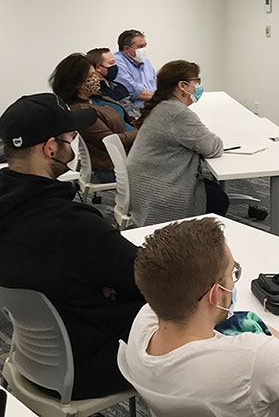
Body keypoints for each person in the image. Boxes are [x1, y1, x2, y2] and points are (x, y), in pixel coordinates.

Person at [124, 217, 279, 417]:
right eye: (232, 273)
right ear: (216, 293)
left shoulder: (142, 325)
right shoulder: (251, 359)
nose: (234, 281)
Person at [0, 93, 145, 399]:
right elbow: (149, 276)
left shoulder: (13, 208)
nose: (75, 146)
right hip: (88, 365)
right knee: (188, 304)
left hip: (34, 358)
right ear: (51, 148)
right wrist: (112, 283)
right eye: (71, 138)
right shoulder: (71, 224)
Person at [126, 60, 228, 226]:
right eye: (197, 81)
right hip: (159, 190)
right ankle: (192, 240)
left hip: (145, 184)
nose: (199, 86)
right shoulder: (177, 113)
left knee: (213, 189)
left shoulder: (162, 105)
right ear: (183, 85)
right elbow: (212, 147)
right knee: (219, 199)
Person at [50, 53, 137, 183]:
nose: (96, 78)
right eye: (91, 76)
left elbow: (125, 120)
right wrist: (142, 132)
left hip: (132, 151)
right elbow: (110, 141)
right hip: (116, 165)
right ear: (76, 84)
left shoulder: (97, 97)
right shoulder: (80, 111)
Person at [87, 47, 141, 119]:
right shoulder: (97, 93)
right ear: (98, 67)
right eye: (111, 63)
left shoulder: (119, 86)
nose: (115, 66)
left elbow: (132, 109)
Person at [114, 29, 157, 110]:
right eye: (140, 47)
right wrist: (160, 97)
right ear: (127, 49)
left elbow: (155, 84)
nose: (144, 50)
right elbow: (133, 92)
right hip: (135, 111)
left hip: (153, 106)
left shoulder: (146, 62)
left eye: (145, 46)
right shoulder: (117, 62)